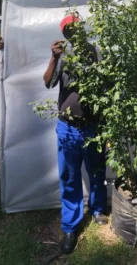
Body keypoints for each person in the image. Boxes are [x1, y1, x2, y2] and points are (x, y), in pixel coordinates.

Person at [43, 15, 107, 254]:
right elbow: (48, 83)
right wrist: (53, 57)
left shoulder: (97, 52)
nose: (72, 33)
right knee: (69, 177)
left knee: (97, 170)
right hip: (67, 127)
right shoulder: (63, 56)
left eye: (75, 28)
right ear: (64, 35)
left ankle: (98, 208)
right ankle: (70, 226)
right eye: (67, 30)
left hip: (92, 127)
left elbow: (108, 86)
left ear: (82, 29)